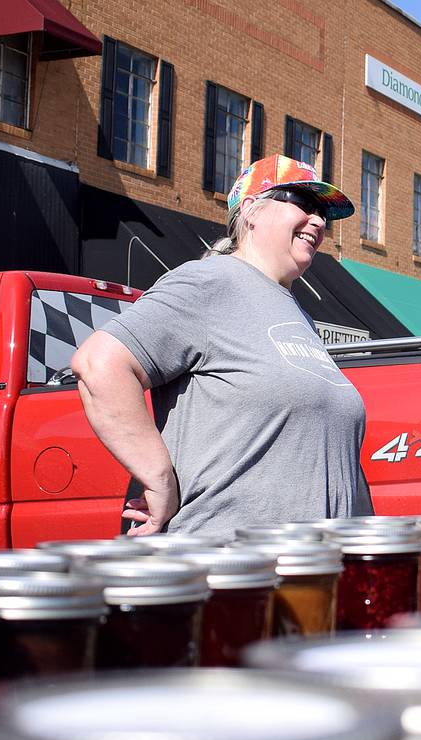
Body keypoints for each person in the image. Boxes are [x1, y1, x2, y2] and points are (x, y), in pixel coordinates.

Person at [72, 155, 374, 536]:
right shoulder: (210, 281)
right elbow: (100, 363)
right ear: (252, 211)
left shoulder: (294, 311)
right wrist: (158, 478)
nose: (318, 221)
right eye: (302, 203)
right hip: (231, 570)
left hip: (309, 572)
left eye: (322, 215)